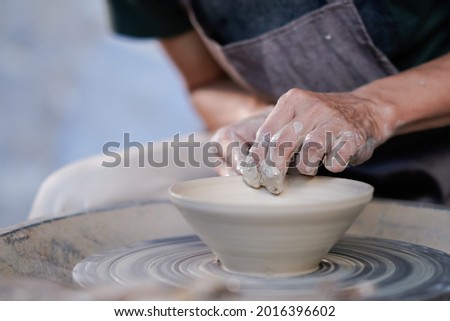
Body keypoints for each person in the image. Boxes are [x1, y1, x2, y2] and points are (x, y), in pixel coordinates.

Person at [29, 0, 450, 219]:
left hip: (432, 137)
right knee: (74, 196)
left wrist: (368, 109)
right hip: (293, 157)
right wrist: (255, 119)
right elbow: (204, 83)